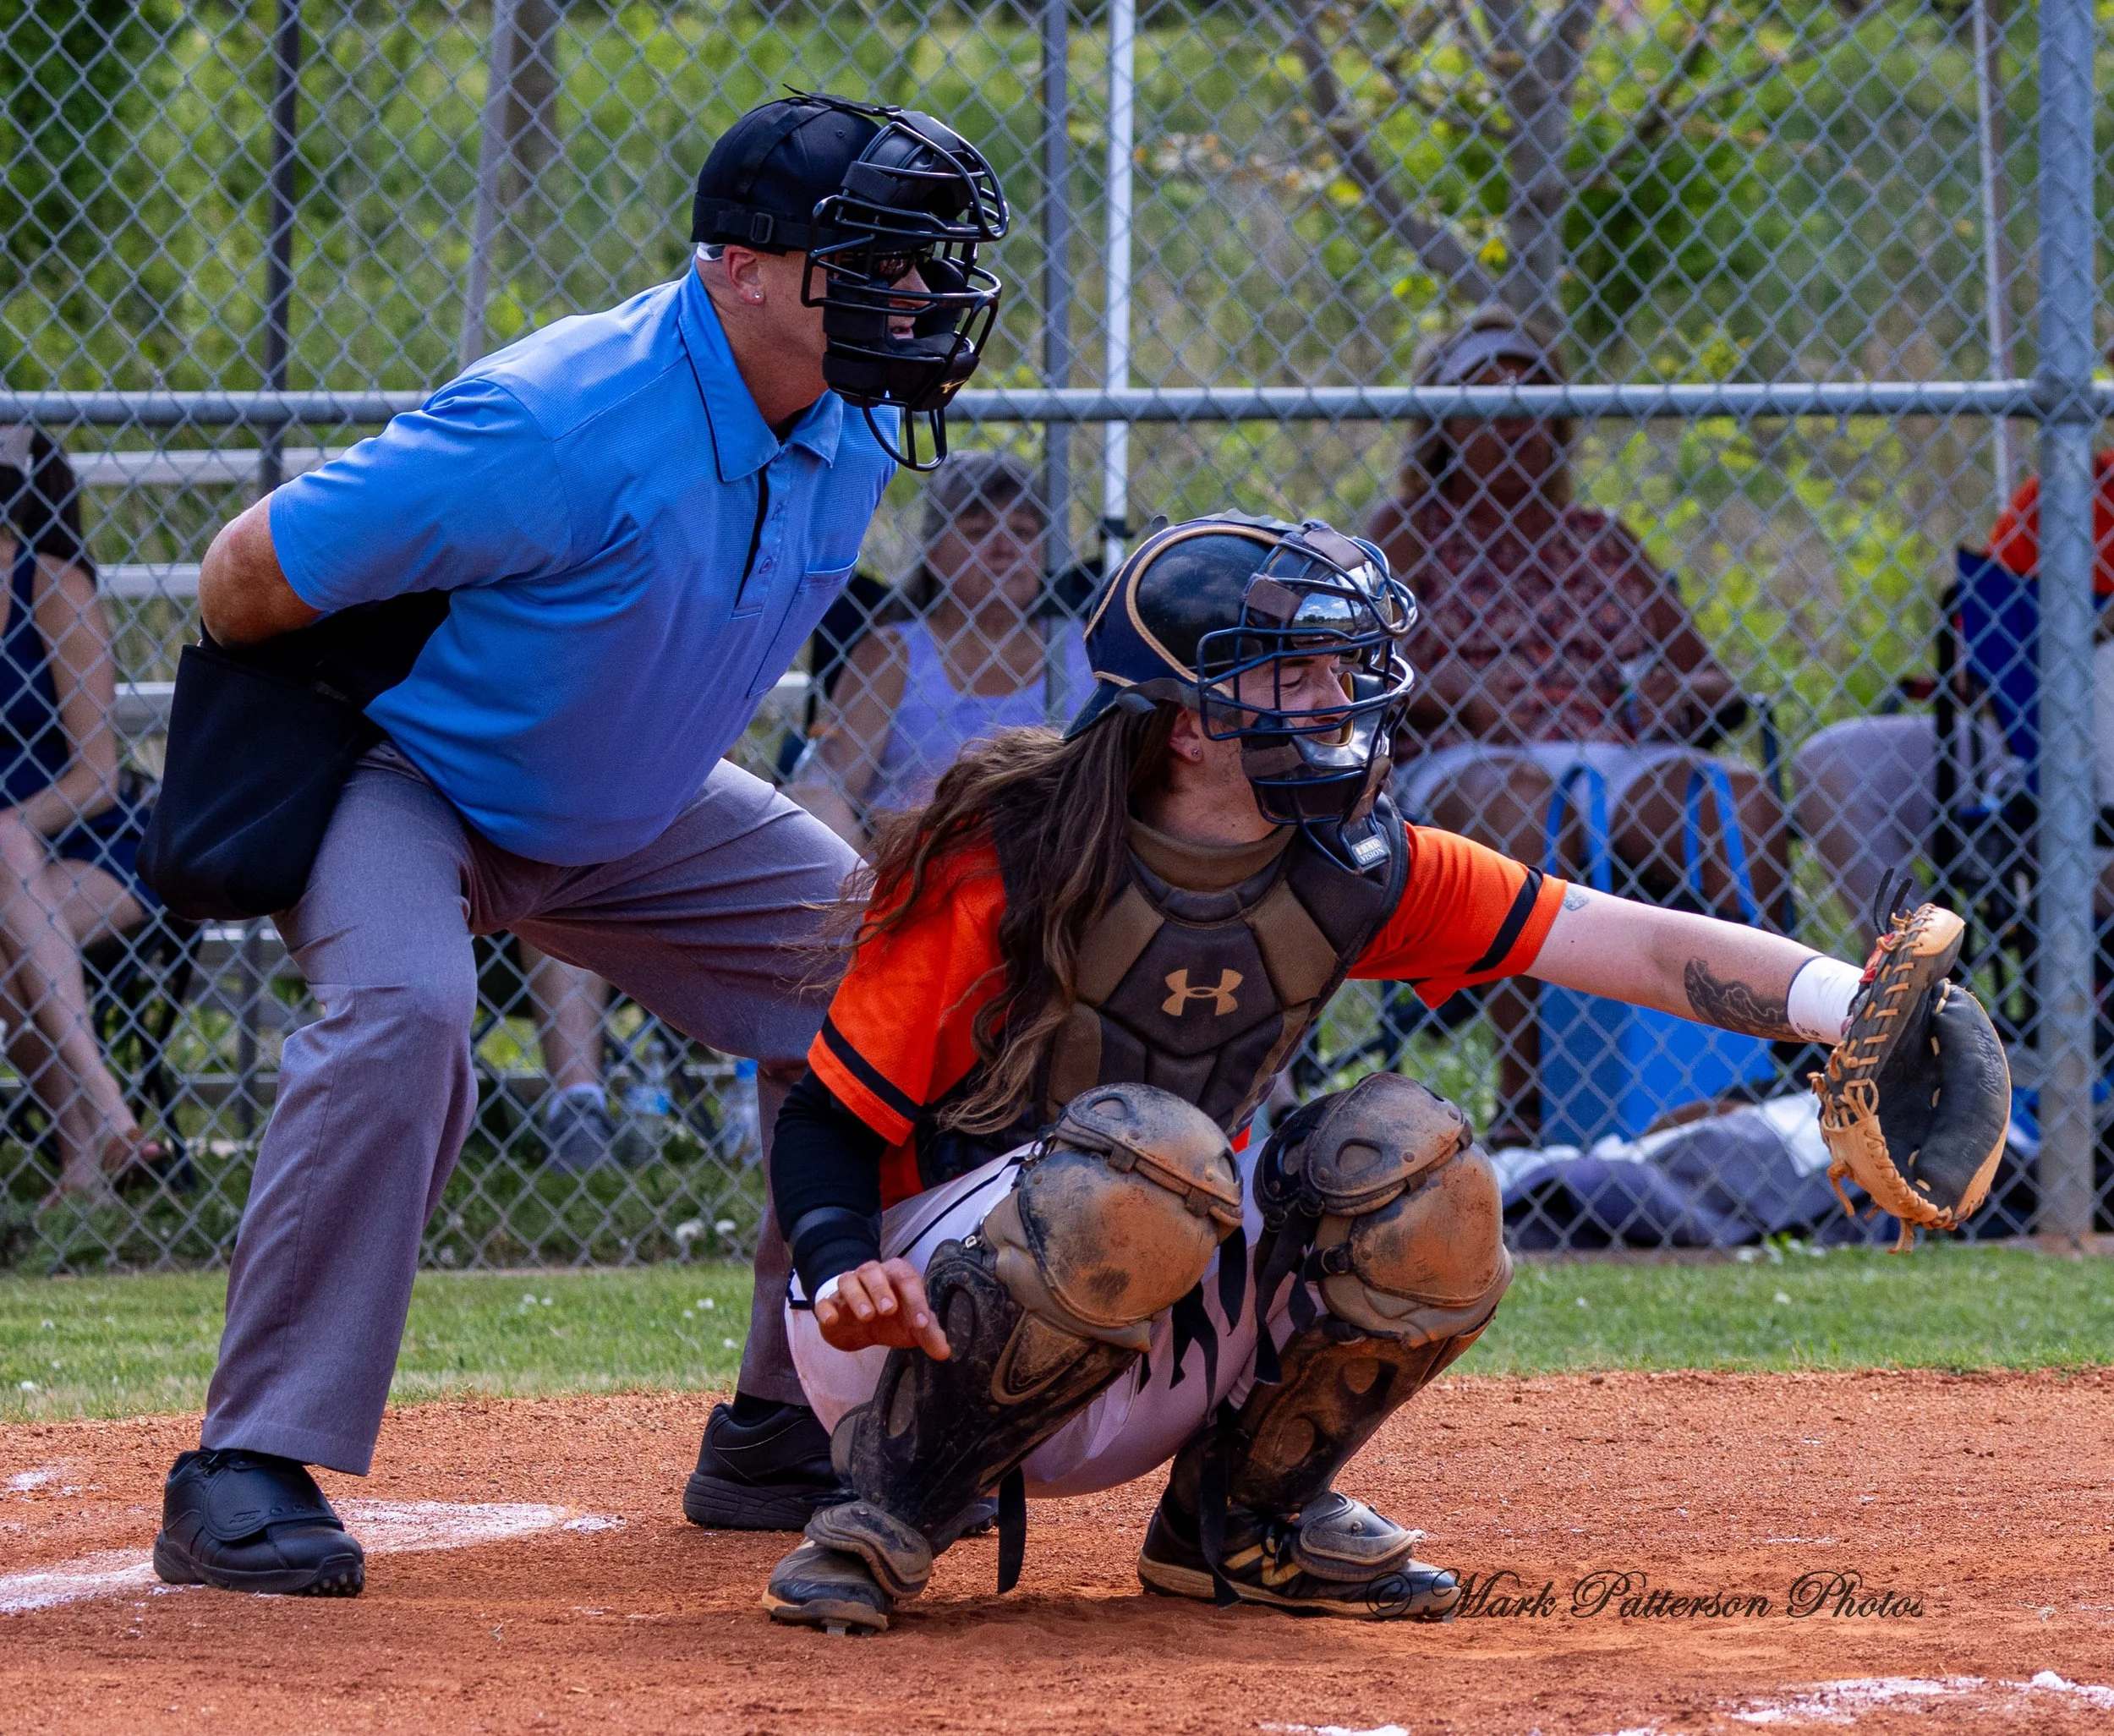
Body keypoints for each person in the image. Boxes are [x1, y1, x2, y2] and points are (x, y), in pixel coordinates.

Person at [750, 512, 1986, 1633]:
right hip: (905, 1325)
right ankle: (887, 1515)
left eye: (1345, 669)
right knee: (1160, 1151)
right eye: (1293, 674)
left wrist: (1850, 1005)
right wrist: (840, 1264)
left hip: (1136, 1298)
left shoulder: (1353, 864)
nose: (1338, 701)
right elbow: (825, 1120)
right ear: (1191, 723)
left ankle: (1241, 1524)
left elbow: (1632, 942)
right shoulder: (1005, 857)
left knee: (1422, 1170)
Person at [149, 91, 1010, 1597]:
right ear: (738, 269)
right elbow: (241, 577)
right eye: (874, 260)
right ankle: (242, 1459)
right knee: (406, 1016)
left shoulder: (861, 416)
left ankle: (777, 1422)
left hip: (636, 807)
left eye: (924, 261)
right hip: (413, 776)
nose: (918, 297)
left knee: (890, 974)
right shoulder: (559, 418)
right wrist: (310, 737)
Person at [1367, 308, 1788, 1146]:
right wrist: (1456, 685)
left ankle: (1774, 1067)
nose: (1514, 421)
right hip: (1466, 755)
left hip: (1617, 750)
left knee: (1738, 802)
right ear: (1445, 423)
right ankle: (1534, 1102)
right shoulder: (1406, 533)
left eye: (1534, 401)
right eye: (1487, 400)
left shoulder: (1601, 539)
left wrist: (1673, 691)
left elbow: (1711, 677)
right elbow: (1350, 672)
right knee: (1528, 814)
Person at [1794, 432, 2114, 945]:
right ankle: (1917, 984)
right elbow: (1973, 668)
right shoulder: (2068, 498)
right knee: (1832, 764)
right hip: (2039, 764)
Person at [0, 425, 170, 1202]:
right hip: (13, 867)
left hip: (97, 839)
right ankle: (103, 1143)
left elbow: (98, 774)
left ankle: (89, 1137)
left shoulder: (51, 583)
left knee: (5, 850)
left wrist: (16, 827)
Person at [786, 451, 1091, 850]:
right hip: (920, 869)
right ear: (934, 555)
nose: (1005, 549)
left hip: (1058, 862)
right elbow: (827, 781)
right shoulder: (894, 652)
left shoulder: (1084, 645)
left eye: (1023, 531)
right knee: (809, 800)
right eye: (979, 532)